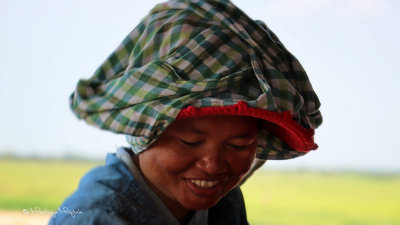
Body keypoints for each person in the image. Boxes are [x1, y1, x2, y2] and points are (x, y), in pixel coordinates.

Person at [49, 0, 322, 224]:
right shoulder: (98, 217)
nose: (213, 166)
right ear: (143, 129)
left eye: (240, 144)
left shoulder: (223, 203)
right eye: (190, 142)